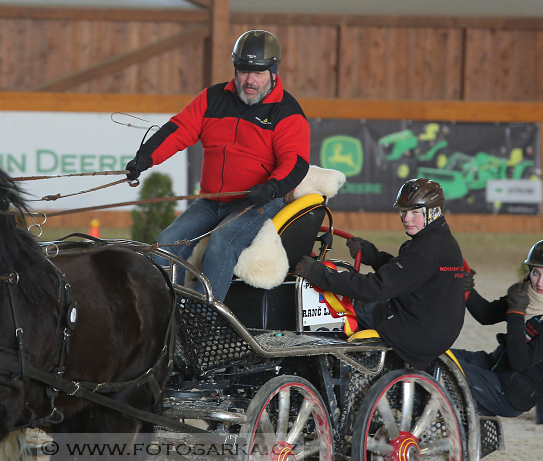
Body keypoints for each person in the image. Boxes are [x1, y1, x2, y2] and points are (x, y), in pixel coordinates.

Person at [125, 29, 310, 301]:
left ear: (273, 73)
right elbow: (178, 129)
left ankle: (205, 321)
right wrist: (146, 157)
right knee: (166, 242)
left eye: (258, 73)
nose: (250, 81)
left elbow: (295, 163)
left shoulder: (287, 112)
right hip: (212, 201)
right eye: (244, 71)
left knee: (222, 243)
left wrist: (270, 188)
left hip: (257, 202)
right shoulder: (213, 98)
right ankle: (165, 311)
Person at [294, 178, 466, 370]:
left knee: (337, 311)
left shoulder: (427, 249)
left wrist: (317, 273)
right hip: (430, 328)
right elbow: (408, 275)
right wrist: (372, 255)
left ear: (433, 212)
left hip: (415, 332)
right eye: (404, 211)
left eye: (415, 212)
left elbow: (372, 289)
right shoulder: (440, 241)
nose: (407, 218)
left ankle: (324, 367)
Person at [452, 239, 543, 417]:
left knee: (445, 371)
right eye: (536, 273)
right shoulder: (527, 293)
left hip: (510, 393)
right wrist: (466, 289)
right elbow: (487, 315)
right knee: (434, 357)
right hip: (494, 366)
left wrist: (517, 312)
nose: (540, 283)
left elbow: (520, 362)